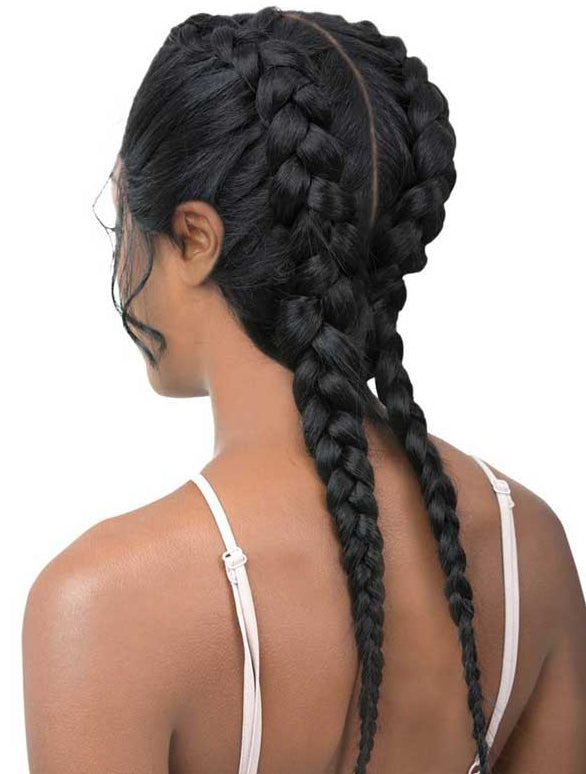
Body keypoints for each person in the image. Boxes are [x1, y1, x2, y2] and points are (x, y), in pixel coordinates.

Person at [22, 8, 586, 774]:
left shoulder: (105, 606)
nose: (121, 258)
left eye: (121, 218)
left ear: (194, 238)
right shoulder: (528, 550)